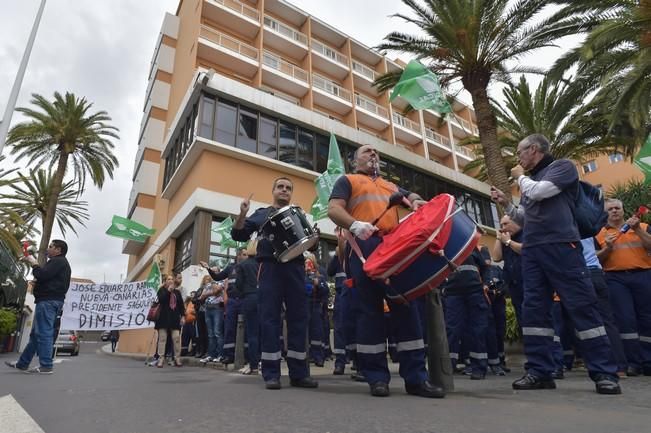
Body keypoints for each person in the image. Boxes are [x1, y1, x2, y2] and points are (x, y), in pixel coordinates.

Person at [491, 133, 621, 395]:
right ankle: (539, 371)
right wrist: (507, 204)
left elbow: (540, 193)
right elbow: (526, 218)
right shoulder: (532, 181)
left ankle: (604, 373)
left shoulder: (560, 168)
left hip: (562, 246)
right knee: (534, 310)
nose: (518, 159)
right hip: (534, 251)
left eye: (520, 153)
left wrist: (519, 177)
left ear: (534, 149)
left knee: (581, 305)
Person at [328, 144, 444, 398]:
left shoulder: (390, 186)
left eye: (376, 153)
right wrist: (354, 224)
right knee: (369, 313)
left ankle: (416, 379)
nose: (373, 155)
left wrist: (417, 203)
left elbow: (411, 197)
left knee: (406, 307)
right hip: (363, 243)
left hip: (394, 245)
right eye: (367, 151)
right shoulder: (347, 180)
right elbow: (334, 209)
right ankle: (376, 378)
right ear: (354, 160)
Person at [231, 177, 318, 390]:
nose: (284, 190)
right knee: (269, 319)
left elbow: (310, 246)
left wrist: (315, 236)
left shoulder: (298, 214)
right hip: (269, 268)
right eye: (281, 187)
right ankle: (271, 373)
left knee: (299, 318)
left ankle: (299, 373)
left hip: (295, 268)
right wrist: (242, 213)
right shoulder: (261, 214)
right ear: (273, 191)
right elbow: (238, 234)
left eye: (288, 188)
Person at [595, 198, 651, 376]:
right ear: (606, 213)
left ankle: (648, 361)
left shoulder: (642, 226)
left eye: (617, 208)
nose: (614, 211)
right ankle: (633, 362)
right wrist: (607, 248)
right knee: (626, 321)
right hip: (615, 278)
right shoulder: (599, 233)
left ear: (623, 209)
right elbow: (596, 259)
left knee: (647, 318)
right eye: (610, 209)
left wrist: (636, 230)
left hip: (643, 275)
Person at [5, 240, 71, 374]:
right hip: (49, 301)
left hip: (48, 301)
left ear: (58, 250)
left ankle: (46, 365)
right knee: (36, 335)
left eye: (51, 246)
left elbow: (43, 274)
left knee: (44, 333)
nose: (48, 248)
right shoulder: (59, 263)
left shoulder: (58, 261)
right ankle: (23, 363)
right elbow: (46, 277)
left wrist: (34, 263)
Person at [200, 248, 248, 365]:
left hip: (244, 300)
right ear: (238, 256)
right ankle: (229, 355)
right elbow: (217, 277)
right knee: (229, 328)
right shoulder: (230, 268)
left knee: (246, 328)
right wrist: (208, 268)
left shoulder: (248, 266)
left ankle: (247, 356)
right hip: (232, 301)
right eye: (245, 254)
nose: (247, 257)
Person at [236, 239, 261, 375]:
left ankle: (253, 365)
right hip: (263, 298)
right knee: (264, 331)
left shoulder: (244, 265)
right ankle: (263, 362)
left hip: (250, 298)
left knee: (252, 334)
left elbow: (238, 284)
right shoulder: (263, 264)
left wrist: (243, 293)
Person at [154, 275, 185, 367]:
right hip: (163, 318)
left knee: (176, 338)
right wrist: (168, 291)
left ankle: (177, 358)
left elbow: (181, 306)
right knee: (162, 339)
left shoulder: (177, 292)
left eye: (172, 279)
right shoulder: (161, 290)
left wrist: (183, 316)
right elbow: (161, 300)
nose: (171, 280)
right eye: (168, 279)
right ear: (165, 281)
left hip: (174, 318)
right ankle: (161, 358)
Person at [198, 278, 225, 364]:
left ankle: (220, 355)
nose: (212, 273)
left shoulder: (221, 282)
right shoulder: (208, 284)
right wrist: (210, 293)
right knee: (210, 334)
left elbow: (217, 290)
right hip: (208, 308)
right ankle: (211, 355)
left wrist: (208, 293)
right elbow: (201, 297)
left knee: (217, 332)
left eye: (215, 271)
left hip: (217, 308)